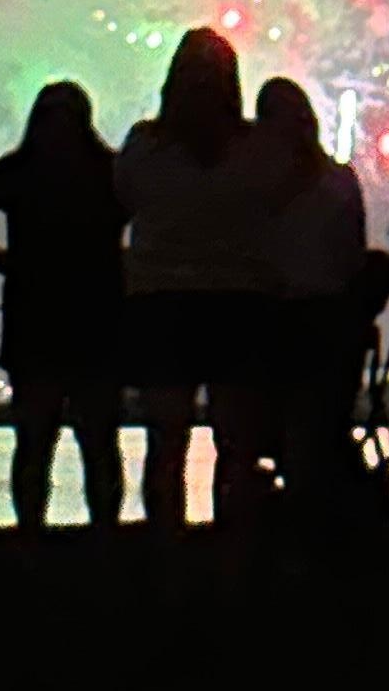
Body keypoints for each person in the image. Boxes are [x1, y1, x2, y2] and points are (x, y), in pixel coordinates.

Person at [0, 81, 129, 531]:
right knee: (96, 438)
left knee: (36, 439)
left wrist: (4, 262)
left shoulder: (22, 170)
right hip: (95, 316)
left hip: (38, 315)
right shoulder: (110, 171)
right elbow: (157, 212)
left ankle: (32, 535)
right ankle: (103, 536)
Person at [118, 27, 278, 533]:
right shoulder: (256, 147)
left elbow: (123, 201)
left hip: (161, 302)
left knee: (166, 441)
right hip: (237, 301)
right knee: (236, 442)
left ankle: (167, 548)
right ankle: (231, 551)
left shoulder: (145, 145)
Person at [249, 77, 378, 521]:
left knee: (272, 430)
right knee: (320, 428)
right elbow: (353, 253)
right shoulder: (338, 180)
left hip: (273, 320)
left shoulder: (254, 185)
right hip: (331, 319)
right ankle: (321, 523)